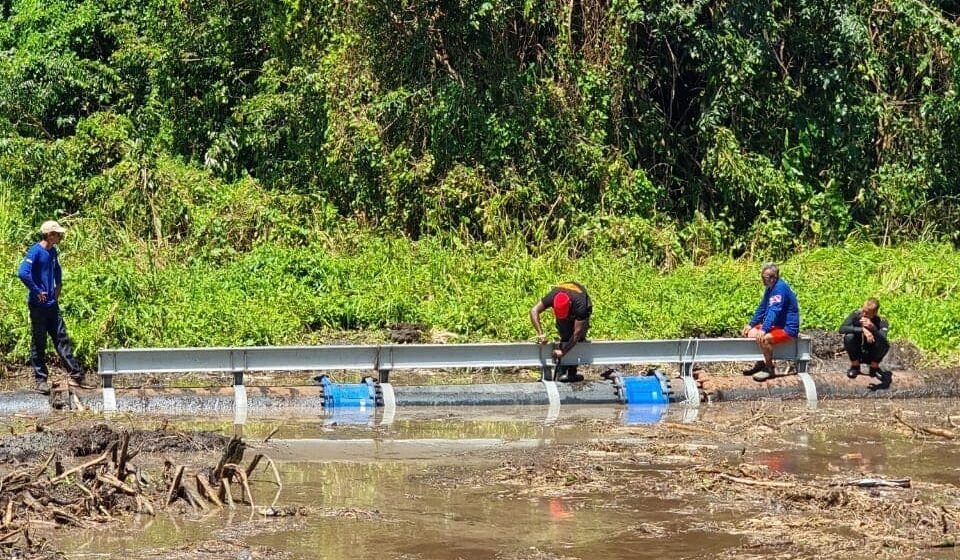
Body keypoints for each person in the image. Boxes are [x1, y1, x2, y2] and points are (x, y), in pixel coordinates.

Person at [17, 220, 87, 395]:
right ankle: (41, 380)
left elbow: (57, 269)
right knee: (39, 342)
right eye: (57, 234)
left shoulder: (53, 251)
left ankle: (76, 374)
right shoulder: (36, 251)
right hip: (38, 306)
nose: (60, 236)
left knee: (61, 337)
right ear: (49, 235)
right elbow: (22, 272)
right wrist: (36, 290)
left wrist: (58, 286)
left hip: (51, 305)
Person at [740, 263, 800, 382]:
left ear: (773, 278)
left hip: (787, 328)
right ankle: (761, 362)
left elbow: (774, 311)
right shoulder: (770, 288)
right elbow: (762, 308)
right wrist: (751, 324)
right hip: (776, 325)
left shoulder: (780, 289)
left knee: (764, 338)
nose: (762, 280)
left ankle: (769, 368)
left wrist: (764, 329)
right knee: (750, 333)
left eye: (764, 278)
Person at [530, 282, 592, 382]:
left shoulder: (581, 306)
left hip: (580, 301)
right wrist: (541, 334)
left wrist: (563, 352)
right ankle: (562, 371)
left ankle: (572, 372)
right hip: (568, 301)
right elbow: (533, 311)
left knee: (579, 337)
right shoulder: (552, 296)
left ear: (570, 305)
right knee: (565, 333)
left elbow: (577, 334)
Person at [839, 298, 891, 383]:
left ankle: (874, 368)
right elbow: (842, 329)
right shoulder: (856, 314)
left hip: (872, 353)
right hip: (858, 351)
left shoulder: (882, 321)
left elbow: (883, 340)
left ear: (874, 313)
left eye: (867, 313)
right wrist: (862, 329)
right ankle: (855, 366)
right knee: (849, 337)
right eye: (863, 310)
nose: (863, 314)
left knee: (885, 344)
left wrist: (873, 329)